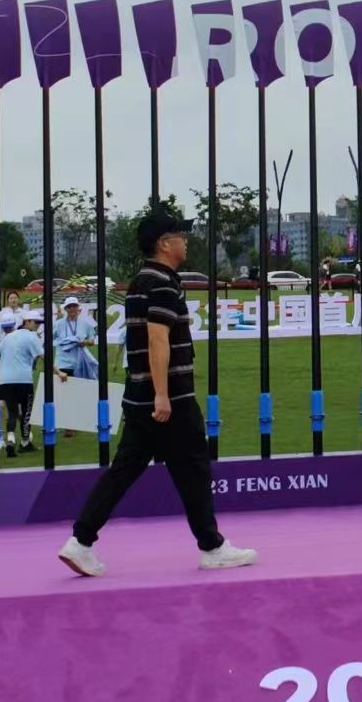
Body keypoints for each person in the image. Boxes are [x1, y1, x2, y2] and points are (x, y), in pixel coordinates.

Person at [57, 208, 255, 575]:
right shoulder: (162, 283)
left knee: (124, 471)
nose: (185, 241)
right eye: (181, 236)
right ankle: (212, 547)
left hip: (139, 396)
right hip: (169, 399)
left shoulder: (141, 281)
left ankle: (80, 541)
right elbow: (157, 338)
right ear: (165, 244)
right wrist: (163, 395)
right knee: (194, 468)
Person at [0, 308, 44, 458]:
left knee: (12, 412)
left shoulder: (8, 337)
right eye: (36, 322)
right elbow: (43, 356)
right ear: (27, 322)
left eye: (39, 323)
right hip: (23, 379)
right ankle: (24, 442)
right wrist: (58, 372)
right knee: (26, 412)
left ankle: (10, 439)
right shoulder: (32, 337)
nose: (38, 325)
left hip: (5, 380)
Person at [53, 295, 99, 380]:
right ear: (65, 309)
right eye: (69, 307)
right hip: (62, 363)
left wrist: (85, 342)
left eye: (74, 306)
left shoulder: (86, 324)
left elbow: (92, 341)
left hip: (80, 362)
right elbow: (48, 339)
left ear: (78, 308)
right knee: (63, 387)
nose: (72, 309)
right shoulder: (58, 324)